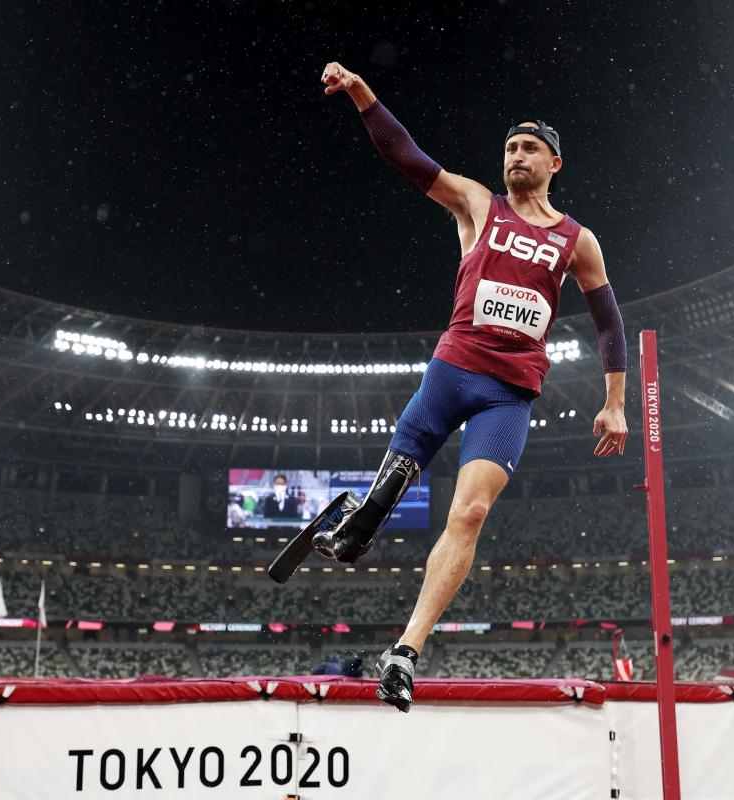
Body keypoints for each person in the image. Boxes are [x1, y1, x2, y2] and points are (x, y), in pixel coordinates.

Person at [312, 61, 629, 712]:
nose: (516, 155)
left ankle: (404, 653)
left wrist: (616, 404)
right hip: (454, 370)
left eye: (529, 148)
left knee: (472, 512)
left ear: (555, 163)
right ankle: (363, 522)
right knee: (401, 472)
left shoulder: (578, 241)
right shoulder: (478, 205)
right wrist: (361, 93)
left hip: (507, 395)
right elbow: (406, 155)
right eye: (510, 147)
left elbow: (609, 322)